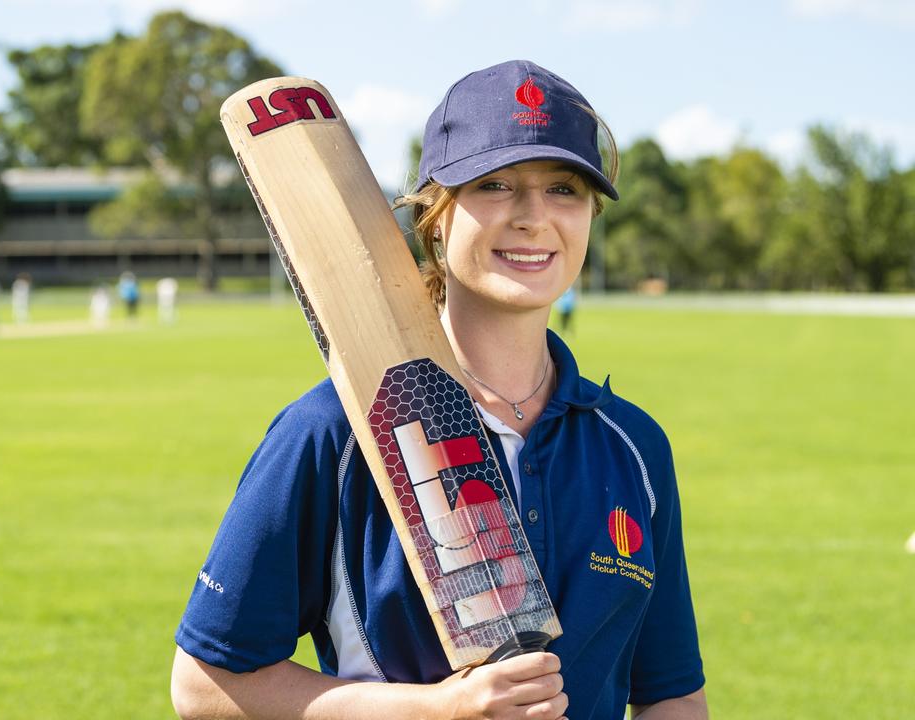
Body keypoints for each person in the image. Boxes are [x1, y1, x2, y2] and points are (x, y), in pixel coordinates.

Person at [171, 60, 706, 720]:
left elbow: (672, 693)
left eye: (564, 189)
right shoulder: (334, 431)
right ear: (435, 213)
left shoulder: (632, 445)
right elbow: (204, 685)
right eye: (495, 184)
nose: (534, 218)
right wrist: (438, 710)